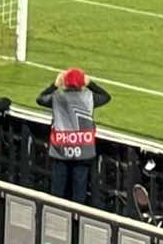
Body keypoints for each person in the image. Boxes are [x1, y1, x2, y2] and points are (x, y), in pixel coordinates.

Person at [38, 67, 110, 203]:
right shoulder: (89, 98)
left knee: (57, 192)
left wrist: (54, 85)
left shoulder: (57, 98)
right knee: (79, 193)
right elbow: (106, 97)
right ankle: (77, 216)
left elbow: (40, 99)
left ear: (65, 82)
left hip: (61, 151)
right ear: (82, 83)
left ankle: (56, 214)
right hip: (82, 151)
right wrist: (91, 84)